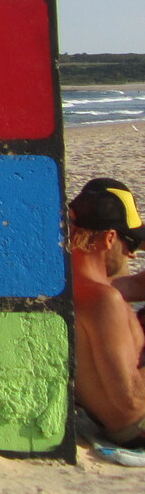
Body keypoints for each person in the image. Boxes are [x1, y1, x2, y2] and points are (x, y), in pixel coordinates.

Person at [69, 177, 145, 444]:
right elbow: (130, 404)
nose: (132, 255)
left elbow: (139, 283)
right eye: (130, 244)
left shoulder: (76, 289)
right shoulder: (105, 300)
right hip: (136, 425)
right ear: (110, 238)